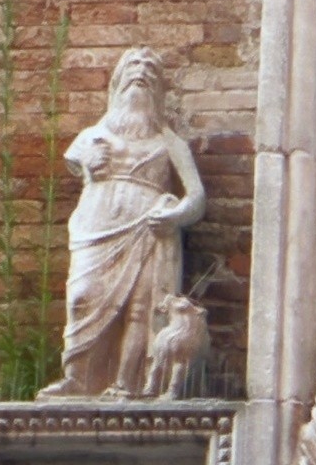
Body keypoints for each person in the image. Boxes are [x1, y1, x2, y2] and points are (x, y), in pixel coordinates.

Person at [48, 50, 205, 404]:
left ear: (159, 91)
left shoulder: (170, 143)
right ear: (117, 83)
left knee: (140, 309)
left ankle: (126, 383)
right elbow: (76, 162)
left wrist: (176, 215)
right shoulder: (91, 136)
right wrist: (88, 163)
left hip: (148, 229)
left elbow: (196, 197)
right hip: (96, 224)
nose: (142, 74)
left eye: (150, 71)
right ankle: (77, 377)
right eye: (134, 68)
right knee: (81, 296)